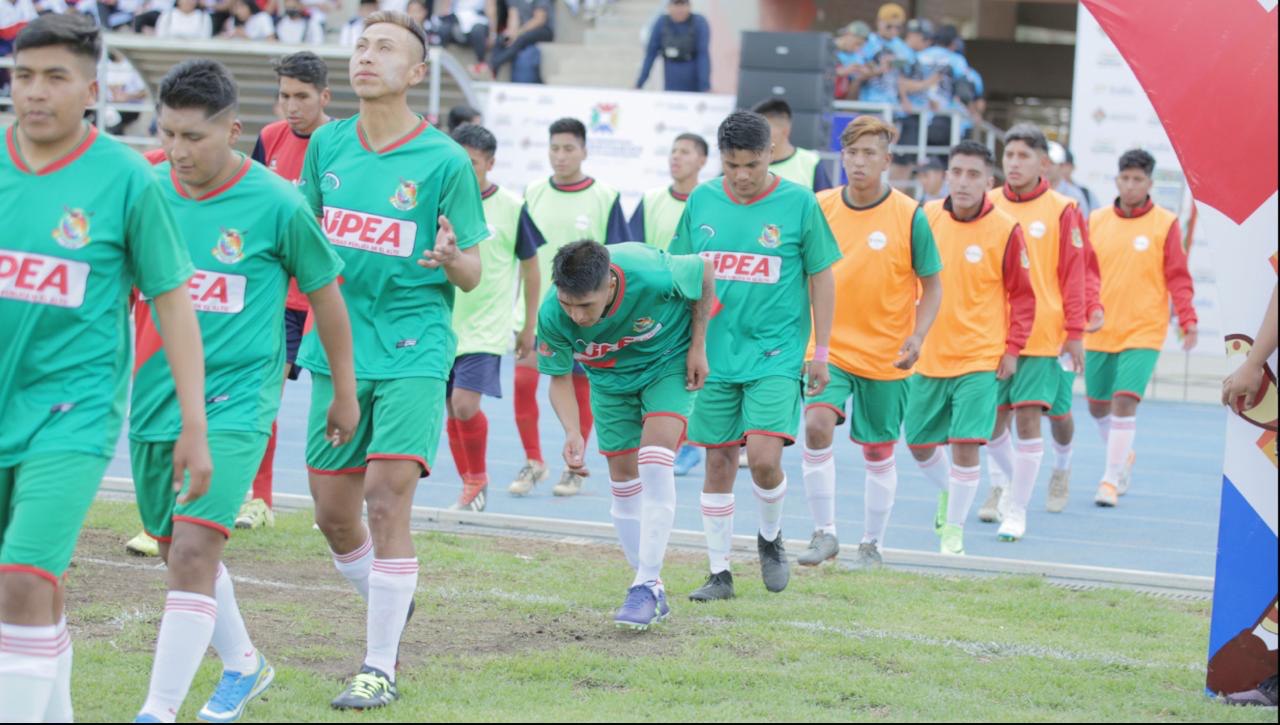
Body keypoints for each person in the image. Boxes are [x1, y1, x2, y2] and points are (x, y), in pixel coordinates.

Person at [129, 59, 354, 724]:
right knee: (177, 550)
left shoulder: (277, 203)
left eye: (193, 137)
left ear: (233, 129)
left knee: (197, 548)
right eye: (168, 135)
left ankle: (157, 710)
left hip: (236, 400)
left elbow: (327, 298)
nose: (178, 151)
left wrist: (344, 390)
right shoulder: (144, 191)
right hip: (153, 400)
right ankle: (245, 663)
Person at [0, 14, 208, 721]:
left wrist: (195, 424)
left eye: (55, 77)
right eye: (23, 75)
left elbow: (174, 303)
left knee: (22, 578)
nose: (35, 92)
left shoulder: (126, 178)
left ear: (92, 88)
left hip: (73, 412)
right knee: (36, 590)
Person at [298, 10, 487, 710]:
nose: (366, 57)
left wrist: (450, 258)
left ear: (415, 73)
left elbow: (471, 271)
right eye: (361, 46)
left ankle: (378, 664)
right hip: (337, 347)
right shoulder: (327, 147)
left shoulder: (443, 160)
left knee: (384, 499)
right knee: (332, 513)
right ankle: (391, 597)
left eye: (384, 49)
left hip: (415, 345)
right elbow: (306, 240)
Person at [670, 110, 841, 601]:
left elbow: (822, 277)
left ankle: (770, 538)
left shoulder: (799, 203)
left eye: (751, 164)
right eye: (731, 165)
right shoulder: (701, 201)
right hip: (713, 355)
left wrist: (821, 351)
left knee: (765, 459)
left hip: (776, 353)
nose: (742, 176)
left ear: (771, 153)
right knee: (718, 461)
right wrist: (686, 344)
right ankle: (719, 573)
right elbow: (680, 275)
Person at [539, 240, 713, 628]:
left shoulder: (650, 271)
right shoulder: (553, 312)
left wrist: (698, 346)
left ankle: (645, 585)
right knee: (622, 479)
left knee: (654, 460)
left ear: (610, 286)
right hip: (608, 381)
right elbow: (559, 377)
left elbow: (704, 273)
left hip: (666, 365)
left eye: (585, 305)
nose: (576, 315)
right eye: (568, 302)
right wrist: (572, 431)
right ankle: (649, 583)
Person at [797, 116, 941, 569]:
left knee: (878, 450)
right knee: (817, 425)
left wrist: (918, 335)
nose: (859, 162)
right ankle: (825, 533)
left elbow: (932, 285)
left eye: (869, 154)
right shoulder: (818, 206)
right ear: (842, 156)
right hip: (828, 348)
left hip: (886, 353)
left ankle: (872, 544)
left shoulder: (909, 214)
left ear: (886, 160)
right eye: (852, 153)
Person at [906, 141, 1035, 555]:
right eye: (957, 172)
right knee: (919, 443)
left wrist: (1012, 348)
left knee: (965, 444)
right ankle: (951, 495)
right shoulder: (923, 218)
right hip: (928, 353)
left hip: (980, 357)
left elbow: (1024, 296)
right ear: (946, 175)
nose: (963, 182)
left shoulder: (1006, 228)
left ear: (989, 182)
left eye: (973, 174)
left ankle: (953, 534)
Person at [510, 116, 629, 498]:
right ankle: (533, 460)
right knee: (523, 383)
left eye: (568, 148)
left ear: (584, 151)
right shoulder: (531, 192)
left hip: (584, 316)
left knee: (580, 389)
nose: (560, 156)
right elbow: (522, 258)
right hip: (538, 313)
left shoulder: (605, 196)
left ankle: (572, 466)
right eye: (554, 148)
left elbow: (619, 257)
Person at [981, 123, 1086, 542]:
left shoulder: (1063, 208)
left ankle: (1016, 509)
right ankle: (1003, 484)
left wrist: (1075, 330)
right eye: (1009, 155)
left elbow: (1074, 274)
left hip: (1042, 334)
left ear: (1043, 163)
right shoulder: (986, 204)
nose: (1015, 163)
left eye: (1024, 156)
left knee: (1029, 418)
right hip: (990, 334)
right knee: (992, 424)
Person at [245, 50, 332, 524]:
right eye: (284, 96)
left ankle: (338, 503)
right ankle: (259, 498)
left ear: (324, 96)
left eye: (301, 96)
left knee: (334, 400)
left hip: (327, 296)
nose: (291, 106)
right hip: (277, 296)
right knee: (262, 395)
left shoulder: (339, 142)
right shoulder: (269, 139)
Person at [1086, 149, 1197, 507]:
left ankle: (1109, 480)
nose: (1131, 185)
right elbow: (1082, 273)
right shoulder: (1097, 220)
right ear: (1117, 180)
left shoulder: (1165, 223)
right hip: (1100, 328)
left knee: (1123, 402)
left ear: (1149, 183)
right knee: (1097, 406)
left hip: (1144, 330)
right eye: (1125, 178)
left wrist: (1188, 318)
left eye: (1138, 180)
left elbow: (1178, 276)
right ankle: (1123, 457)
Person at [446, 123, 544, 511]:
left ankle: (476, 478)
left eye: (472, 163)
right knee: (451, 410)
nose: (465, 171)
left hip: (486, 327)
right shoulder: (440, 202)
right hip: (441, 322)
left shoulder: (512, 206)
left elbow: (532, 268)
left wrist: (529, 324)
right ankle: (469, 484)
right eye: (459, 162)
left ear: (490, 163)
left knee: (466, 405)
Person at [628, 132, 707, 476]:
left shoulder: (709, 201)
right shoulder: (651, 200)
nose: (676, 158)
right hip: (659, 305)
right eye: (673, 151)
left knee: (698, 371)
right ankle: (664, 439)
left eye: (685, 152)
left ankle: (691, 444)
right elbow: (633, 249)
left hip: (703, 301)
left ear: (703, 161)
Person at [752, 97, 833, 193]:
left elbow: (825, 202)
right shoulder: (748, 164)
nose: (756, 135)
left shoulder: (810, 162)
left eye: (763, 130)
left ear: (785, 130)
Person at [635, 0, 709, 93]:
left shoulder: (699, 22)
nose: (679, 9)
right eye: (676, 4)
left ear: (689, 6)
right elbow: (650, 55)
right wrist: (639, 83)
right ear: (669, 7)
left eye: (683, 4)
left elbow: (703, 55)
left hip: (693, 79)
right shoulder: (661, 23)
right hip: (671, 80)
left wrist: (705, 86)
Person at [475, 0, 552, 81]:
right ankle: (492, 75)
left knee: (522, 39)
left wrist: (518, 32)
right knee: (501, 39)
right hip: (522, 30)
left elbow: (539, 20)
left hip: (543, 30)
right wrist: (510, 33)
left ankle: (491, 65)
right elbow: (513, 17)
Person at [433, 0, 489, 64]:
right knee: (443, 29)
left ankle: (481, 62)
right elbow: (445, 9)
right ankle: (437, 62)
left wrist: (492, 34)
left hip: (478, 20)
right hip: (456, 20)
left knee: (478, 31)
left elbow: (490, 9)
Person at [834, 21, 870, 100]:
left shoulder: (858, 56)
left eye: (861, 45)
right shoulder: (829, 49)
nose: (858, 48)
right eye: (857, 43)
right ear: (848, 35)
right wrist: (840, 72)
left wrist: (863, 75)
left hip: (844, 101)